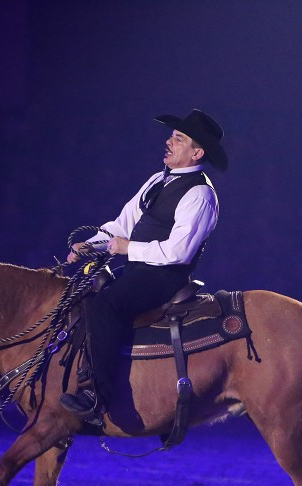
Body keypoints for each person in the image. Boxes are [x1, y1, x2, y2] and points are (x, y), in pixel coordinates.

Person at [60, 109, 227, 421]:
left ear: (197, 152)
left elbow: (178, 252)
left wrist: (126, 248)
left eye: (178, 139)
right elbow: (123, 224)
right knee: (81, 294)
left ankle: (97, 396)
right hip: (140, 269)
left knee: (105, 305)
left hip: (165, 278)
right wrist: (93, 246)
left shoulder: (201, 194)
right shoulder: (158, 179)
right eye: (172, 136)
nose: (168, 141)